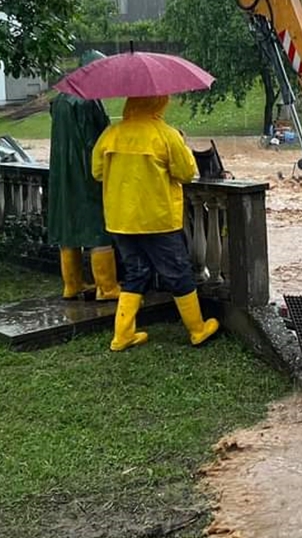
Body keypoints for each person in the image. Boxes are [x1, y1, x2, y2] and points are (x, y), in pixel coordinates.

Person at [91, 95, 218, 352]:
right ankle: (197, 329)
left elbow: (97, 172)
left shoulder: (111, 134)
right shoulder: (165, 134)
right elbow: (185, 174)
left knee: (135, 272)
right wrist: (181, 143)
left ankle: (122, 334)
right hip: (158, 220)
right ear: (159, 103)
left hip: (121, 221)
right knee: (178, 272)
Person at [48, 52, 119, 301]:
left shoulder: (59, 100)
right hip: (85, 172)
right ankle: (107, 287)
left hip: (61, 173)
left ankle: (72, 285)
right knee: (97, 228)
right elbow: (99, 139)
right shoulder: (89, 100)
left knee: (69, 227)